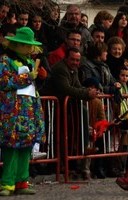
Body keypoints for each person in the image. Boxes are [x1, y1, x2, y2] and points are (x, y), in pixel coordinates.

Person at [0, 27, 46, 196]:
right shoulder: (5, 61)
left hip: (29, 112)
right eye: (26, 46)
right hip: (12, 112)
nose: (30, 49)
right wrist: (28, 77)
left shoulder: (30, 62)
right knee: (11, 148)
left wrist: (40, 78)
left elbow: (34, 88)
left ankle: (22, 181)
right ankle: (7, 183)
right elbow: (4, 82)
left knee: (26, 147)